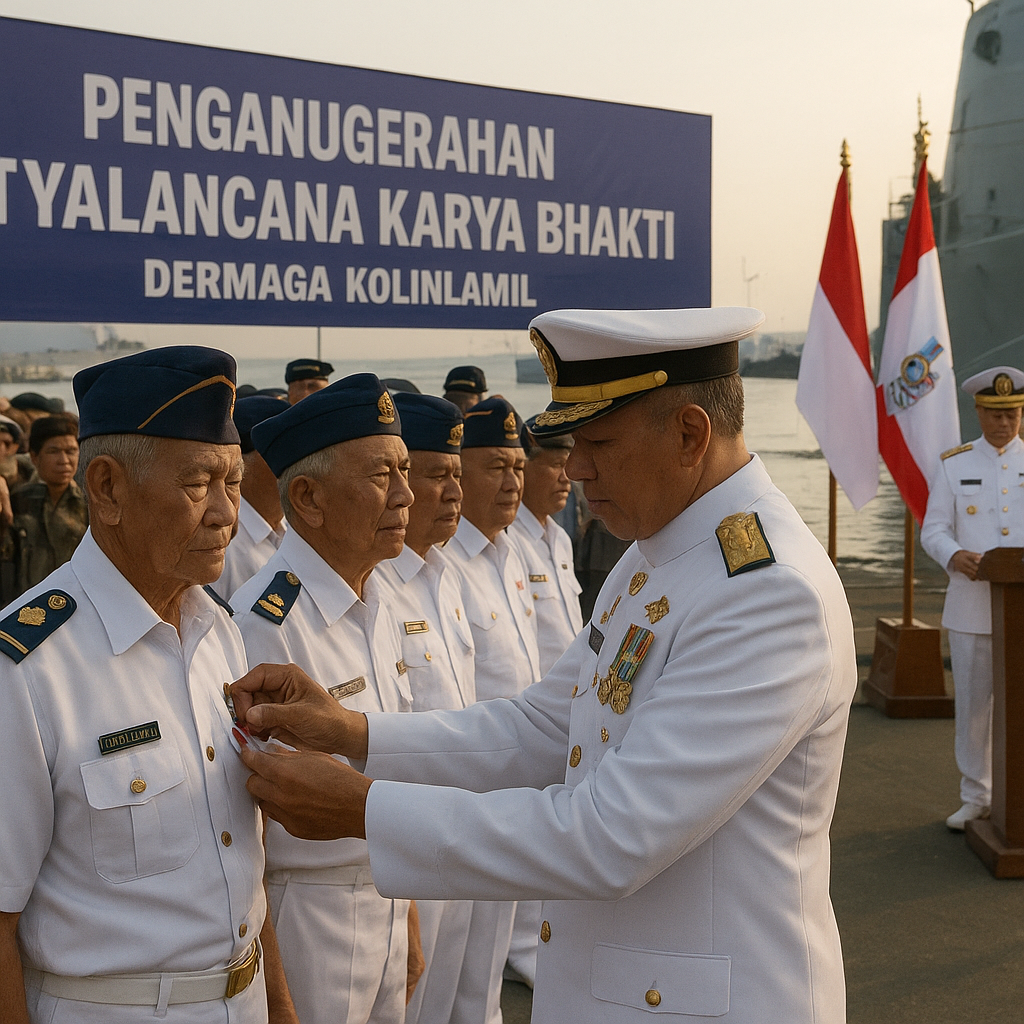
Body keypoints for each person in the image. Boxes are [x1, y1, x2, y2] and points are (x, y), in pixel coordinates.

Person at [232, 306, 859, 1024]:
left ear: (690, 434)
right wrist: (352, 733)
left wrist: (363, 807)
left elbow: (612, 837)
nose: (573, 467)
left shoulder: (766, 593)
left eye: (597, 442)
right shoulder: (653, 558)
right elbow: (542, 727)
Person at [0, 346, 296, 1024]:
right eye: (198, 484)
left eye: (233, 481)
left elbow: (240, 866)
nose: (225, 513)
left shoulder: (216, 632)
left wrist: (279, 1005)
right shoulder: (28, 669)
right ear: (106, 488)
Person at [231, 374, 419, 1024]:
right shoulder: (265, 623)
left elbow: (395, 768)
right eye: (382, 475)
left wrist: (407, 914)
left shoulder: (381, 599)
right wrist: (276, 993)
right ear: (308, 498)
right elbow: (245, 832)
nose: (406, 494)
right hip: (309, 912)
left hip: (387, 887)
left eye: (404, 470)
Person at [373, 392, 477, 1024]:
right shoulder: (376, 589)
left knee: (445, 1002)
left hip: (461, 826)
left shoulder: (446, 575)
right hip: (405, 843)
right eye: (435, 474)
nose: (451, 492)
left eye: (456, 475)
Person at [921, 365, 1024, 831]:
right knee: (974, 709)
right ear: (979, 412)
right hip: (971, 608)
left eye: (1012, 414)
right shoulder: (954, 464)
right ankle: (976, 796)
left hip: (1020, 610)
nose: (1004, 423)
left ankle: (1015, 794)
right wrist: (953, 554)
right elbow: (934, 529)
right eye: (995, 414)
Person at [505, 416, 583, 987]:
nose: (566, 476)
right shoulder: (509, 544)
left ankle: (530, 945)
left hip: (564, 717)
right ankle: (521, 950)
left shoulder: (558, 538)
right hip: (525, 722)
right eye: (553, 463)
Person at [212, 396, 289, 601]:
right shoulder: (219, 545)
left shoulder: (296, 529)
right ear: (239, 463)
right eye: (282, 450)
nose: (297, 460)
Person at [11, 415, 88, 596]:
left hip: (76, 599)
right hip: (27, 601)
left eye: (71, 451)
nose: (64, 460)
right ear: (34, 457)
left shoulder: (90, 503)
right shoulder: (19, 500)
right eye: (54, 451)